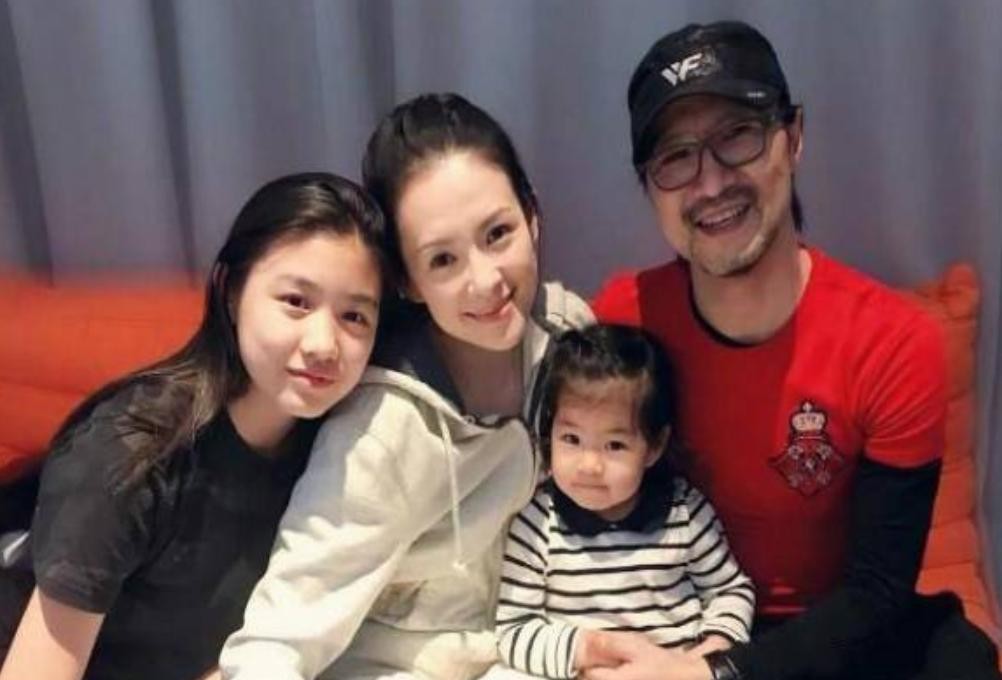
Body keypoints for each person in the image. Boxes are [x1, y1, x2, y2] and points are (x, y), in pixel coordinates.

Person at [590, 20, 1001, 680]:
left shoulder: (895, 342)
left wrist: (715, 675)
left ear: (794, 136)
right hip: (678, 617)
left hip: (838, 629)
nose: (710, 184)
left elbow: (877, 593)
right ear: (649, 187)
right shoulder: (621, 322)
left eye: (737, 135)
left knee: (960, 657)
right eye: (675, 157)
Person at [215, 93, 593, 680]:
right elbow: (276, 638)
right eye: (443, 260)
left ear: (533, 215)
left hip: (531, 653)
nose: (485, 281)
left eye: (498, 233)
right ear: (408, 281)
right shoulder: (382, 429)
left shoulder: (571, 340)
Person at [0, 172, 387, 680]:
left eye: (354, 317)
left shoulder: (343, 447)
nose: (324, 344)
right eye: (296, 301)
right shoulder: (129, 453)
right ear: (231, 293)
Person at [491, 323, 754, 680]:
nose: (589, 465)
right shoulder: (538, 521)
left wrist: (705, 656)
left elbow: (730, 591)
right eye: (571, 439)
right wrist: (590, 650)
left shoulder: (684, 512)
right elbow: (515, 630)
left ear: (654, 447)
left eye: (614, 445)